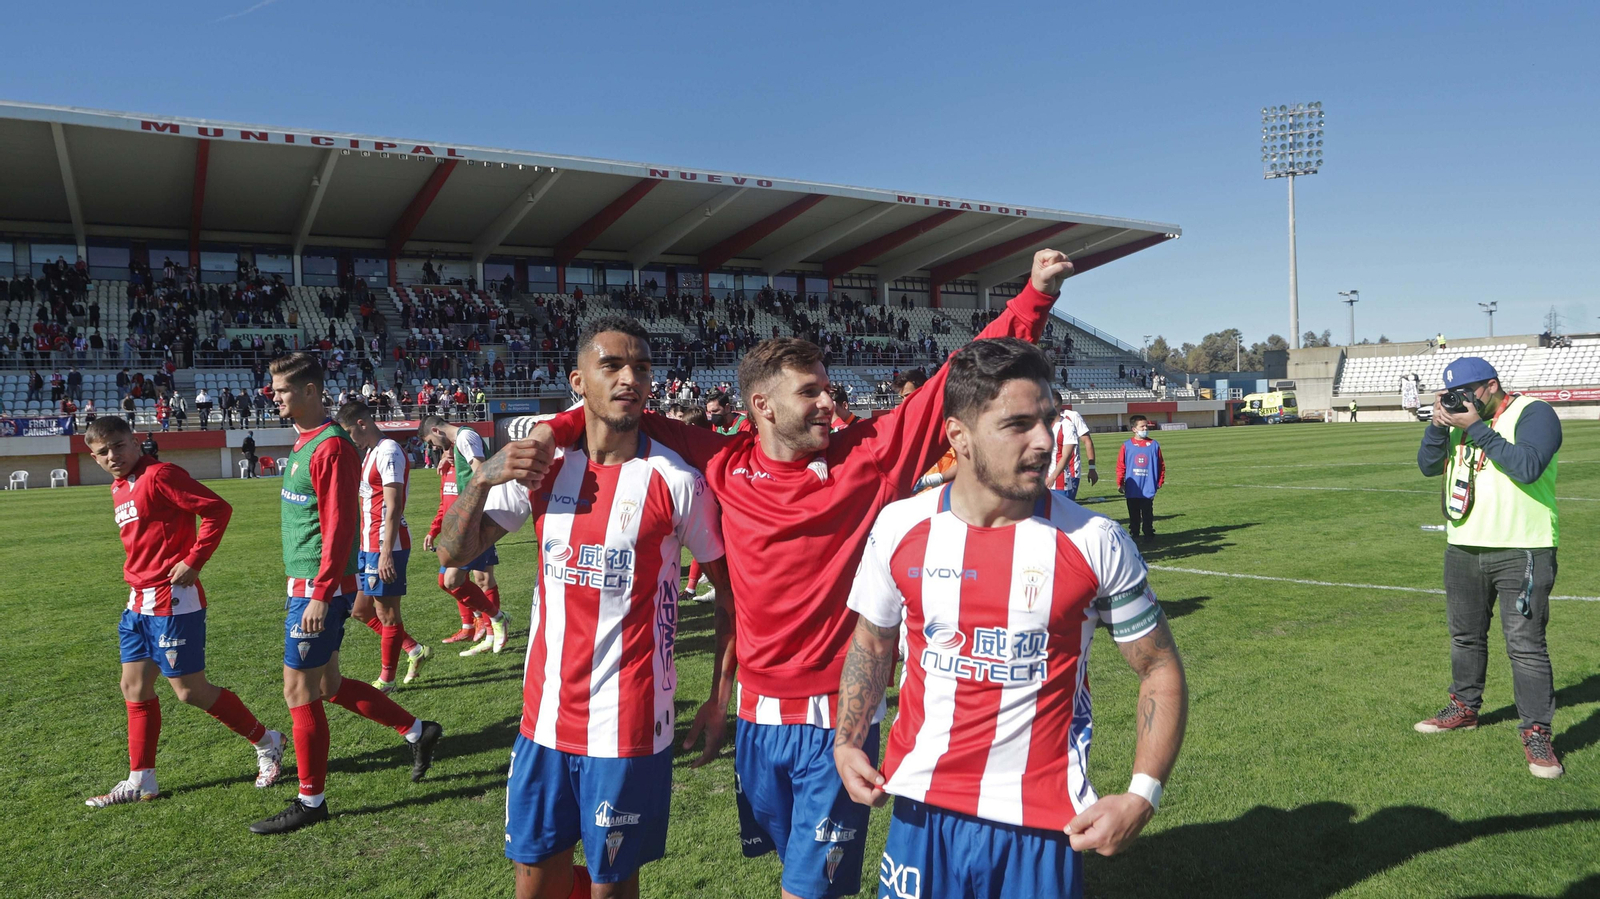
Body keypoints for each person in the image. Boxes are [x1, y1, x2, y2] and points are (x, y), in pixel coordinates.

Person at [521, 249, 1075, 899]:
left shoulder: (868, 457)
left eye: (829, 389)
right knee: (794, 869)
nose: (828, 404)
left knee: (808, 890)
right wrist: (546, 431)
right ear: (761, 405)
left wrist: (1033, 297)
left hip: (837, 717)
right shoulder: (721, 462)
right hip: (757, 720)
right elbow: (618, 414)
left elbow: (955, 377)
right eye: (809, 392)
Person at [833, 339, 1188, 899]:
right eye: (1018, 424)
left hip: (1042, 828)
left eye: (1048, 419)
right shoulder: (899, 527)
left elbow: (1160, 670)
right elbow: (873, 643)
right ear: (958, 437)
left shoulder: (1096, 542)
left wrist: (1143, 794)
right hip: (921, 817)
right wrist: (847, 740)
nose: (1046, 441)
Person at [436, 316, 735, 899]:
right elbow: (453, 552)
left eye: (642, 368)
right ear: (579, 380)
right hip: (542, 720)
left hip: (628, 730)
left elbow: (728, 592)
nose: (631, 378)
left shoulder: (676, 481)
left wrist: (722, 698)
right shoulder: (546, 469)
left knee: (610, 889)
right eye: (613, 366)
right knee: (535, 885)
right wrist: (480, 481)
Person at [249, 352, 442, 836]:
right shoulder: (304, 442)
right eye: (273, 389)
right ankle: (419, 731)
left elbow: (339, 527)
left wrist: (320, 593)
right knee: (329, 687)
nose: (274, 396)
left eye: (283, 390)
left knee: (299, 691)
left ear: (312, 391)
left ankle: (311, 801)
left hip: (318, 590)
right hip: (313, 585)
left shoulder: (331, 448)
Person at [81, 416, 287, 808]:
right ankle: (141, 780)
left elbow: (217, 510)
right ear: (94, 458)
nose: (113, 456)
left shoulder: (161, 474)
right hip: (137, 602)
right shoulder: (119, 487)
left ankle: (267, 741)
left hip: (173, 601)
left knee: (190, 691)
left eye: (119, 445)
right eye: (102, 452)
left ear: (135, 441)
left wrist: (195, 559)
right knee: (134, 687)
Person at [1414, 357, 1564, 778]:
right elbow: (1428, 466)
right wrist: (1437, 426)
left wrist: (1475, 427)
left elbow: (1529, 467)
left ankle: (1537, 732)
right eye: (1449, 395)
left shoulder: (1533, 413)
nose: (1459, 400)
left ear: (1492, 386)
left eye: (1467, 392)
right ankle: (1464, 707)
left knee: (1526, 647)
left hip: (1522, 547)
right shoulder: (1460, 422)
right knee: (1464, 636)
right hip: (1463, 546)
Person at [336, 401, 431, 692]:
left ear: (362, 423)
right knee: (361, 611)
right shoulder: (371, 453)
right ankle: (414, 649)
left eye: (350, 431)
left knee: (387, 613)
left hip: (385, 545)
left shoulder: (388, 451)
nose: (350, 438)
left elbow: (394, 505)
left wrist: (386, 552)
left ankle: (387, 679)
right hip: (370, 545)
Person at [420, 415, 508, 652]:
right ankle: (488, 629)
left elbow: (480, 473)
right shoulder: (459, 443)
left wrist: (470, 514)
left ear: (436, 430)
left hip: (473, 520)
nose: (433, 448)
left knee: (454, 580)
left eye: (430, 442)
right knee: (455, 579)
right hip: (467, 519)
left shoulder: (465, 437)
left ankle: (495, 621)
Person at [1116, 415, 1165, 544]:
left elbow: (1161, 465)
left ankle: (1149, 534)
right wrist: (1120, 483)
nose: (1145, 428)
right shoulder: (1126, 445)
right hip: (1132, 487)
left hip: (1148, 486)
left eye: (1146, 426)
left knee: (1148, 512)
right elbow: (1121, 465)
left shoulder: (1154, 444)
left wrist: (1160, 481)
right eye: (1142, 426)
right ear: (1134, 429)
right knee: (1134, 513)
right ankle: (1135, 534)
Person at [1046, 389, 1096, 500]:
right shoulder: (1043, 422)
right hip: (1047, 473)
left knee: (1064, 507)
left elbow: (1087, 441)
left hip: (1070, 469)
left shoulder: (1071, 418)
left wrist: (1092, 467)